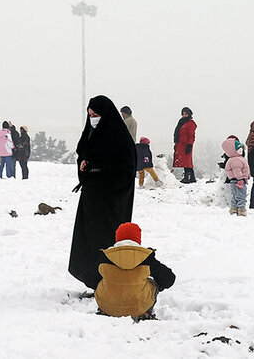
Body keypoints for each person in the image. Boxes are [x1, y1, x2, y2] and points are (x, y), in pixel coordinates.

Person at [68, 95, 136, 290]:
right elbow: (84, 154)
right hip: (91, 199)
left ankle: (109, 284)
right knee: (88, 242)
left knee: (105, 241)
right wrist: (83, 165)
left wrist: (96, 168)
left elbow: (125, 169)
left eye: (96, 115)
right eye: (90, 115)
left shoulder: (120, 138)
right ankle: (93, 281)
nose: (93, 118)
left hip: (111, 203)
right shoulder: (91, 133)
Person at [94, 222, 175, 320]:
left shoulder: (106, 256)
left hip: (107, 307)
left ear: (117, 238)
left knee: (102, 280)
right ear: (138, 239)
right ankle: (144, 313)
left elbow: (89, 278)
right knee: (152, 283)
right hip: (138, 307)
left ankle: (106, 309)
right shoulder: (146, 257)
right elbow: (168, 279)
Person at [222, 135, 250, 216]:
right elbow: (237, 170)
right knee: (241, 195)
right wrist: (240, 179)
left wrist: (231, 177)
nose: (241, 150)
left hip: (234, 181)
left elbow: (228, 170)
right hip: (239, 181)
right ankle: (241, 210)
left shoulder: (232, 159)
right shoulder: (236, 160)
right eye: (239, 149)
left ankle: (233, 209)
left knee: (234, 195)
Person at [173, 107, 197, 184]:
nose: (184, 115)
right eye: (183, 114)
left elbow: (191, 135)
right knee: (186, 161)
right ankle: (191, 177)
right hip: (181, 145)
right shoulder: (181, 122)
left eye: (186, 114)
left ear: (189, 114)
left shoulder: (190, 123)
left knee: (187, 161)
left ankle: (187, 177)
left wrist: (189, 145)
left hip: (186, 145)